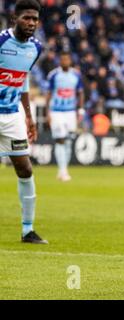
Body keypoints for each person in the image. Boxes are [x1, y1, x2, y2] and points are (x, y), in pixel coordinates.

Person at [0, 0, 47, 244]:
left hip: (12, 116)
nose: (31, 23)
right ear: (14, 18)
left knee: (25, 168)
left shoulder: (35, 48)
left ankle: (27, 230)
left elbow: (23, 80)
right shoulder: (1, 42)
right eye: (26, 18)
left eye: (35, 19)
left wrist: (28, 116)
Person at [45, 51, 85, 181]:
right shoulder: (54, 75)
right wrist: (47, 112)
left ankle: (63, 169)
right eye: (62, 60)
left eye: (67, 60)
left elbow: (80, 93)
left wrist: (80, 110)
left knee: (68, 140)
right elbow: (49, 94)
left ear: (70, 61)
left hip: (70, 111)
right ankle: (63, 171)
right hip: (57, 111)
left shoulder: (76, 75)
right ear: (59, 61)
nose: (65, 62)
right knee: (60, 139)